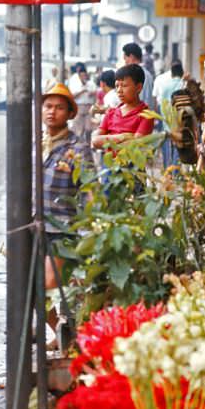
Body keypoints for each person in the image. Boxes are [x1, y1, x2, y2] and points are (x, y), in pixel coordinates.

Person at [41, 84, 94, 320]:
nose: (52, 112)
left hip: (61, 227)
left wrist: (91, 226)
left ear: (71, 114)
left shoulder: (77, 149)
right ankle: (60, 334)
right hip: (34, 226)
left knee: (50, 285)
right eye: (48, 106)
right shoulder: (35, 144)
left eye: (59, 108)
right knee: (33, 291)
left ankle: (68, 336)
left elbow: (90, 189)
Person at [91, 64, 154, 151]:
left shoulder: (146, 115)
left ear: (138, 87)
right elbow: (94, 141)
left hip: (133, 164)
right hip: (110, 163)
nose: (119, 90)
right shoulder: (111, 113)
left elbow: (135, 144)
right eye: (117, 86)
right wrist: (123, 136)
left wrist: (106, 140)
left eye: (124, 85)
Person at [152, 60, 186, 168]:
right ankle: (176, 171)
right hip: (181, 122)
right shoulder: (184, 85)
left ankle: (168, 169)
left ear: (171, 73)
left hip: (166, 120)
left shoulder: (165, 86)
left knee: (167, 144)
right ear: (182, 73)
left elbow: (160, 103)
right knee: (179, 146)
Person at [67, 63, 97, 143]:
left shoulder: (91, 83)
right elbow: (72, 95)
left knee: (88, 129)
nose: (84, 76)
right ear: (79, 74)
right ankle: (77, 146)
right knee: (79, 130)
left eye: (85, 75)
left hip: (89, 107)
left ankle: (88, 145)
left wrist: (92, 93)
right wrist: (82, 91)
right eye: (82, 75)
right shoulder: (74, 81)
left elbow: (95, 94)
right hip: (79, 107)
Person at [122, 43, 155, 111]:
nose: (125, 62)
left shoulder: (136, 74)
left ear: (131, 57)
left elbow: (143, 98)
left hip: (139, 115)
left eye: (125, 58)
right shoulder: (147, 74)